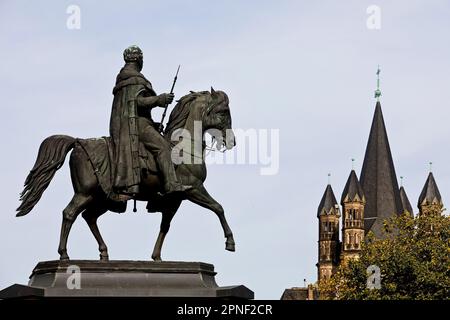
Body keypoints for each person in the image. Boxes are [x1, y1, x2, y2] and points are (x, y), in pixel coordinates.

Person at [109, 45, 191, 196]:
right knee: (164, 148)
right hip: (135, 125)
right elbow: (137, 102)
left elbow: (133, 106)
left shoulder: (124, 78)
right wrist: (159, 99)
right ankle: (171, 184)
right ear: (139, 59)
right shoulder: (134, 78)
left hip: (132, 123)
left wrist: (153, 124)